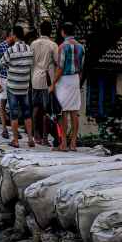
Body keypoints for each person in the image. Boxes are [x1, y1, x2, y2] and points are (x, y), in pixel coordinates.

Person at [50, 22, 84, 151]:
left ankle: (63, 143)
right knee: (74, 111)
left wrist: (53, 83)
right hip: (75, 79)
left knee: (62, 111)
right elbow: (81, 67)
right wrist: (78, 81)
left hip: (64, 80)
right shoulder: (81, 47)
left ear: (63, 32)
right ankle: (73, 143)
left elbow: (60, 68)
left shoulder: (62, 47)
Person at [0, 24, 35, 148]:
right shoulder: (29, 48)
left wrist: (13, 66)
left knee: (14, 114)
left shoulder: (10, 50)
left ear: (14, 35)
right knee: (27, 113)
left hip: (13, 86)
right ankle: (31, 139)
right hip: (25, 86)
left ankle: (15, 140)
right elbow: (31, 63)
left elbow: (2, 63)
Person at [30, 21, 58, 147]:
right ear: (51, 31)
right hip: (48, 80)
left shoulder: (33, 44)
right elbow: (58, 62)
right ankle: (45, 138)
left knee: (36, 107)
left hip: (35, 79)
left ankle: (36, 135)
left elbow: (30, 62)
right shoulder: (53, 45)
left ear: (40, 30)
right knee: (47, 110)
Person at [0, 30, 15, 139]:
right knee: (3, 104)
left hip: (11, 78)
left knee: (11, 104)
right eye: (14, 36)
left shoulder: (14, 47)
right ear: (10, 36)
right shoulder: (0, 47)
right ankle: (4, 129)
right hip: (4, 78)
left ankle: (12, 129)